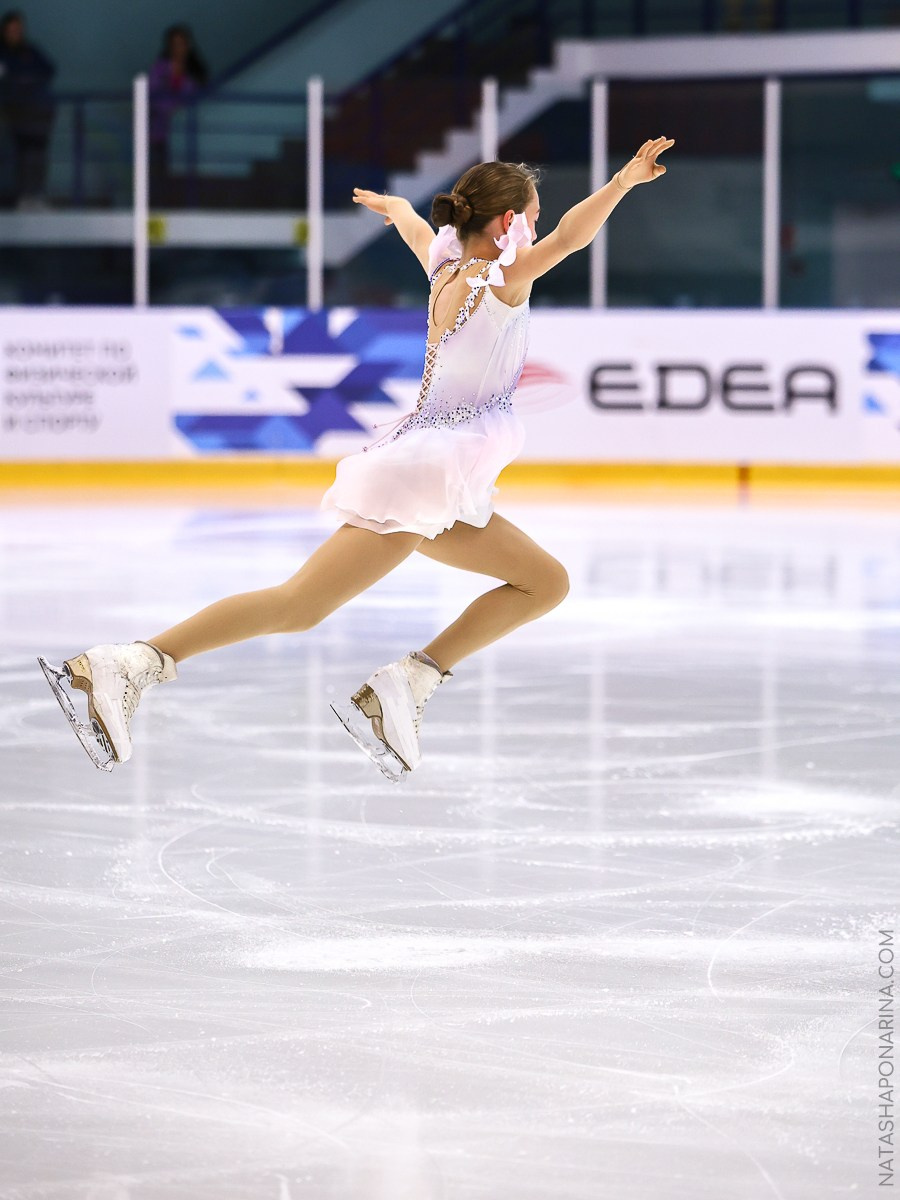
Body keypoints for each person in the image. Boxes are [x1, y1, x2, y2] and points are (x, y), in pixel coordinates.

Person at [38, 136, 675, 782]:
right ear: (509, 223)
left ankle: (408, 682)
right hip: (425, 478)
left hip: (437, 476)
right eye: (531, 216)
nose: (538, 228)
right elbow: (569, 237)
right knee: (299, 605)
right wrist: (622, 181)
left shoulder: (445, 267)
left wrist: (397, 206)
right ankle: (129, 663)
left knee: (546, 581)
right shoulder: (502, 279)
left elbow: (419, 229)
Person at [0, 9, 55, 209]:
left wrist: (26, 80)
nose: (15, 33)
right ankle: (20, 196)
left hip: (34, 114)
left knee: (36, 155)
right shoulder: (3, 54)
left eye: (18, 29)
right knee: (15, 157)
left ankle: (35, 195)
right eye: (11, 29)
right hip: (11, 114)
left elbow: (48, 69)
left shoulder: (30, 51)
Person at [148, 24, 208, 206]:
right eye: (174, 44)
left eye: (182, 43)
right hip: (160, 134)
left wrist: (178, 106)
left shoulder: (196, 71)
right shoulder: (159, 68)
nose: (178, 48)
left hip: (185, 133)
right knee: (160, 176)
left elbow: (196, 96)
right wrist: (171, 108)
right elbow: (152, 94)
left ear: (188, 45)